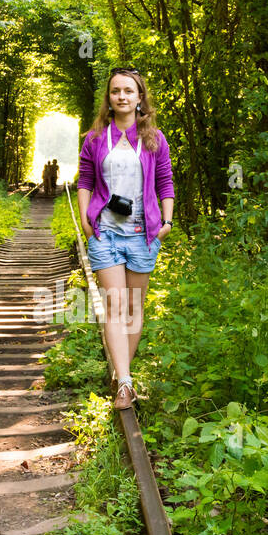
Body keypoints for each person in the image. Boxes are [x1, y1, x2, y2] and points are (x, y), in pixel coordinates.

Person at [76, 66, 174, 410]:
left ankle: (123, 375)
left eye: (128, 91)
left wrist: (168, 220)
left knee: (134, 308)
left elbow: (165, 181)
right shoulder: (94, 139)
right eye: (115, 91)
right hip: (107, 233)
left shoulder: (154, 139)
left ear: (139, 97)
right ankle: (125, 384)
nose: (121, 96)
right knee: (116, 306)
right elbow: (85, 180)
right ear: (109, 98)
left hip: (142, 234)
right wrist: (89, 224)